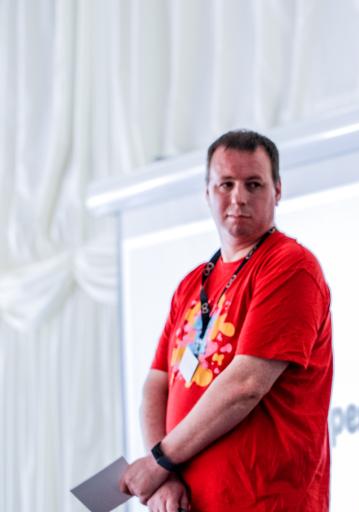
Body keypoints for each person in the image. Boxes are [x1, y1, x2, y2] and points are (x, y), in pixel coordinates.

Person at [120, 130, 333, 511]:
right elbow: (156, 385)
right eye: (226, 184)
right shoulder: (191, 283)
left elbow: (246, 384)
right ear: (207, 192)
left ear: (278, 191)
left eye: (254, 184)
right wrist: (163, 476)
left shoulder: (290, 266)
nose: (238, 197)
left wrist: (159, 460)